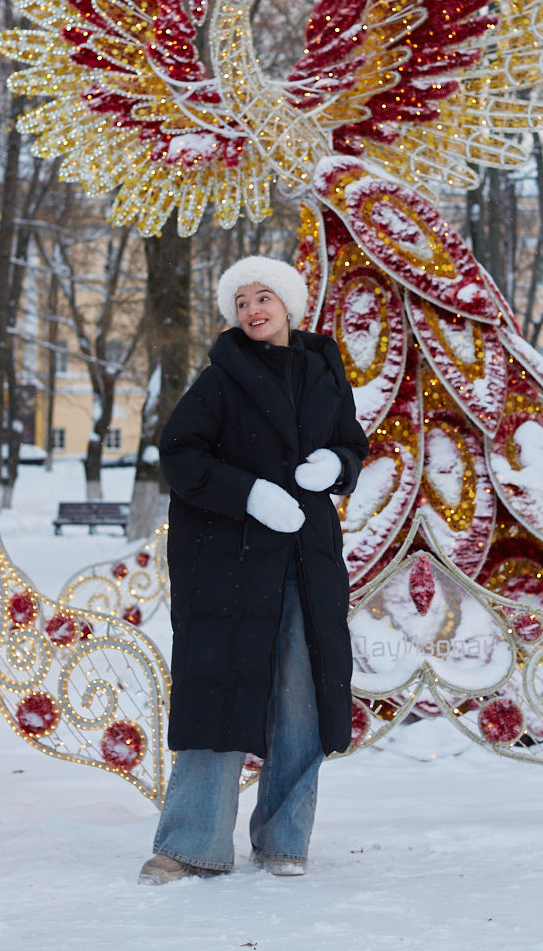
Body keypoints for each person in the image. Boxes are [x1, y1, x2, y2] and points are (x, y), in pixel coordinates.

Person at [139, 255, 369, 884]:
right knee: (218, 686)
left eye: (263, 298)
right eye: (241, 303)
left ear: (290, 307)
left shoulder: (325, 371)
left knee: (301, 693)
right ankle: (190, 844)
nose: (252, 311)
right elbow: (180, 454)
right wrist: (248, 494)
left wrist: (337, 466)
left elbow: (352, 441)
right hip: (231, 562)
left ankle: (284, 839)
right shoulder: (221, 379)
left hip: (306, 557)